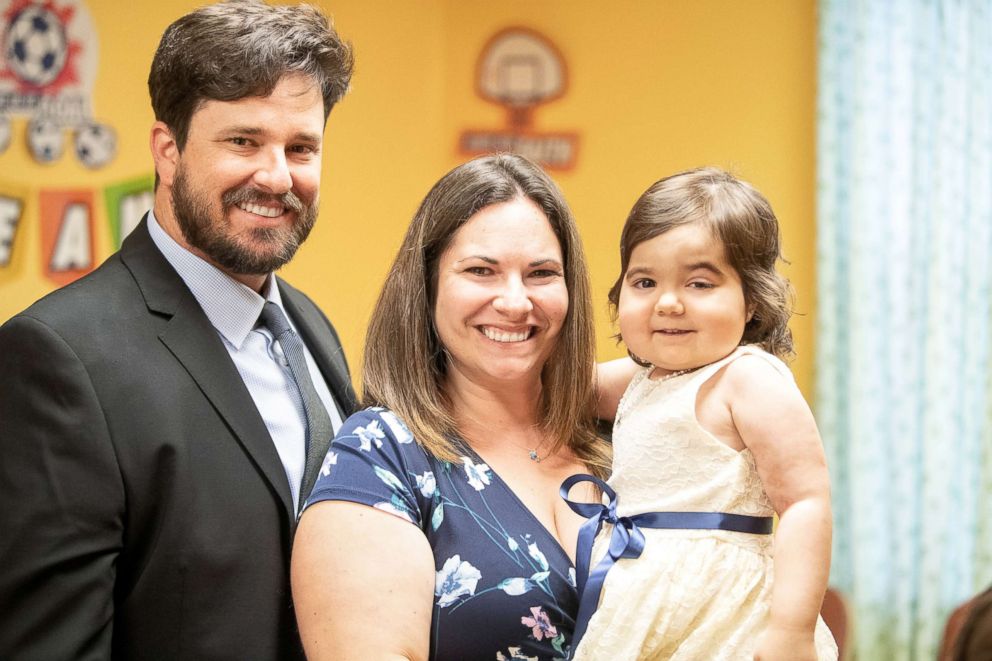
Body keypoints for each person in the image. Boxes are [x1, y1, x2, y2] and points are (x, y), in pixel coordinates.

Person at [0, 2, 357, 659]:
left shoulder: (312, 327)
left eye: (300, 147)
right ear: (168, 151)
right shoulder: (58, 357)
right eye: (243, 141)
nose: (277, 176)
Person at [292, 153, 611, 660]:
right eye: (481, 270)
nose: (514, 301)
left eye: (541, 273)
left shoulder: (619, 440)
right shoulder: (382, 457)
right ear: (428, 286)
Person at [566, 167, 838, 660]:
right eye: (644, 281)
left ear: (752, 299)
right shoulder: (644, 377)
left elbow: (804, 504)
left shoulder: (746, 377)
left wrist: (790, 630)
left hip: (722, 612)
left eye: (699, 283)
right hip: (639, 602)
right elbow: (564, 386)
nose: (668, 303)